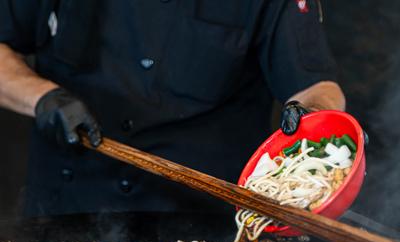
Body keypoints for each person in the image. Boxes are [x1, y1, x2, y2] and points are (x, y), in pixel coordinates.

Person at [0, 0, 345, 217]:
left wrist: (309, 115)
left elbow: (318, 86)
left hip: (204, 221)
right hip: (66, 209)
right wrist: (42, 96)